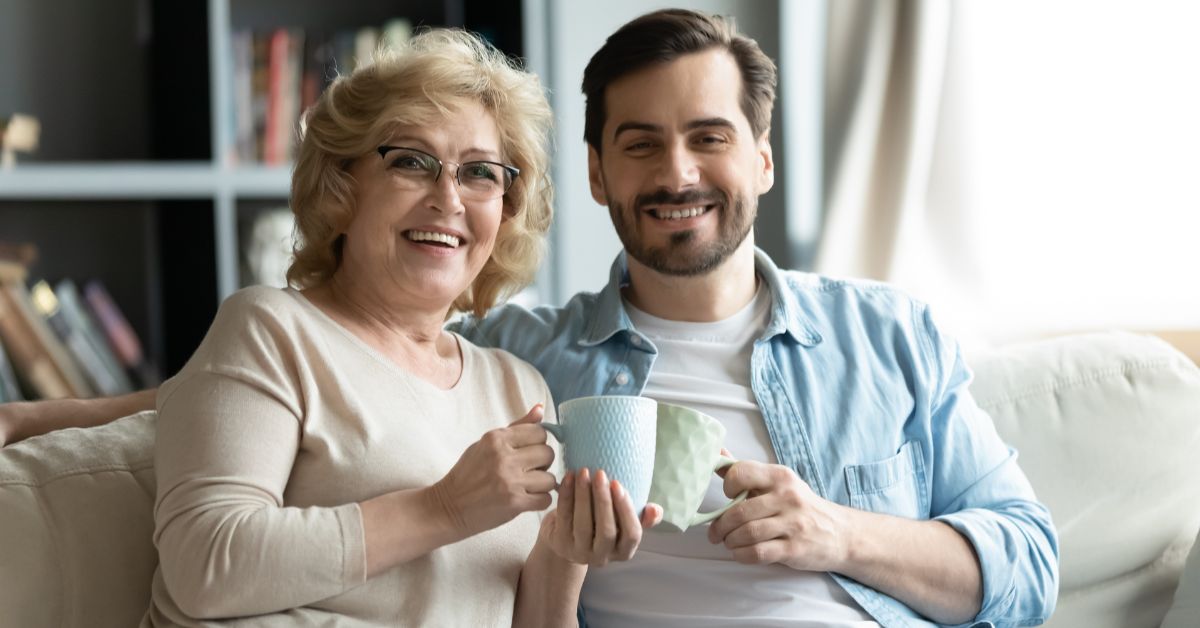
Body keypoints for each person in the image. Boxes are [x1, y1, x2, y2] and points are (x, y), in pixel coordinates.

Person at [0, 9, 1059, 627]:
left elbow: (1027, 568)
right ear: (596, 174)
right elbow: (306, 369)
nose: (677, 171)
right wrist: (50, 421)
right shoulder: (540, 362)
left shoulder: (891, 338)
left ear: (763, 157)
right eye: (639, 142)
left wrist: (839, 532)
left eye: (710, 136)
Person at [82, 29, 647, 628]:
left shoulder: (519, 388)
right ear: (342, 184)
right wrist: (446, 508)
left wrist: (565, 551)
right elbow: (206, 567)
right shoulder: (272, 329)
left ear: (505, 211)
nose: (449, 198)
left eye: (480, 172)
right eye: (411, 161)